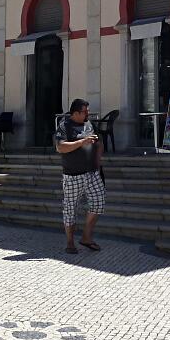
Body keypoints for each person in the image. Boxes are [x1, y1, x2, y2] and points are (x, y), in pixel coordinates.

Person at [54, 98, 104, 254]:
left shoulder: (89, 124)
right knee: (70, 209)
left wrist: (98, 160)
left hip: (92, 173)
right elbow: (60, 147)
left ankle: (86, 237)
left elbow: (98, 142)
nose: (88, 114)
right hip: (73, 175)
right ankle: (70, 242)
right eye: (85, 112)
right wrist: (82, 142)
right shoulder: (64, 126)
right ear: (76, 113)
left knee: (99, 203)